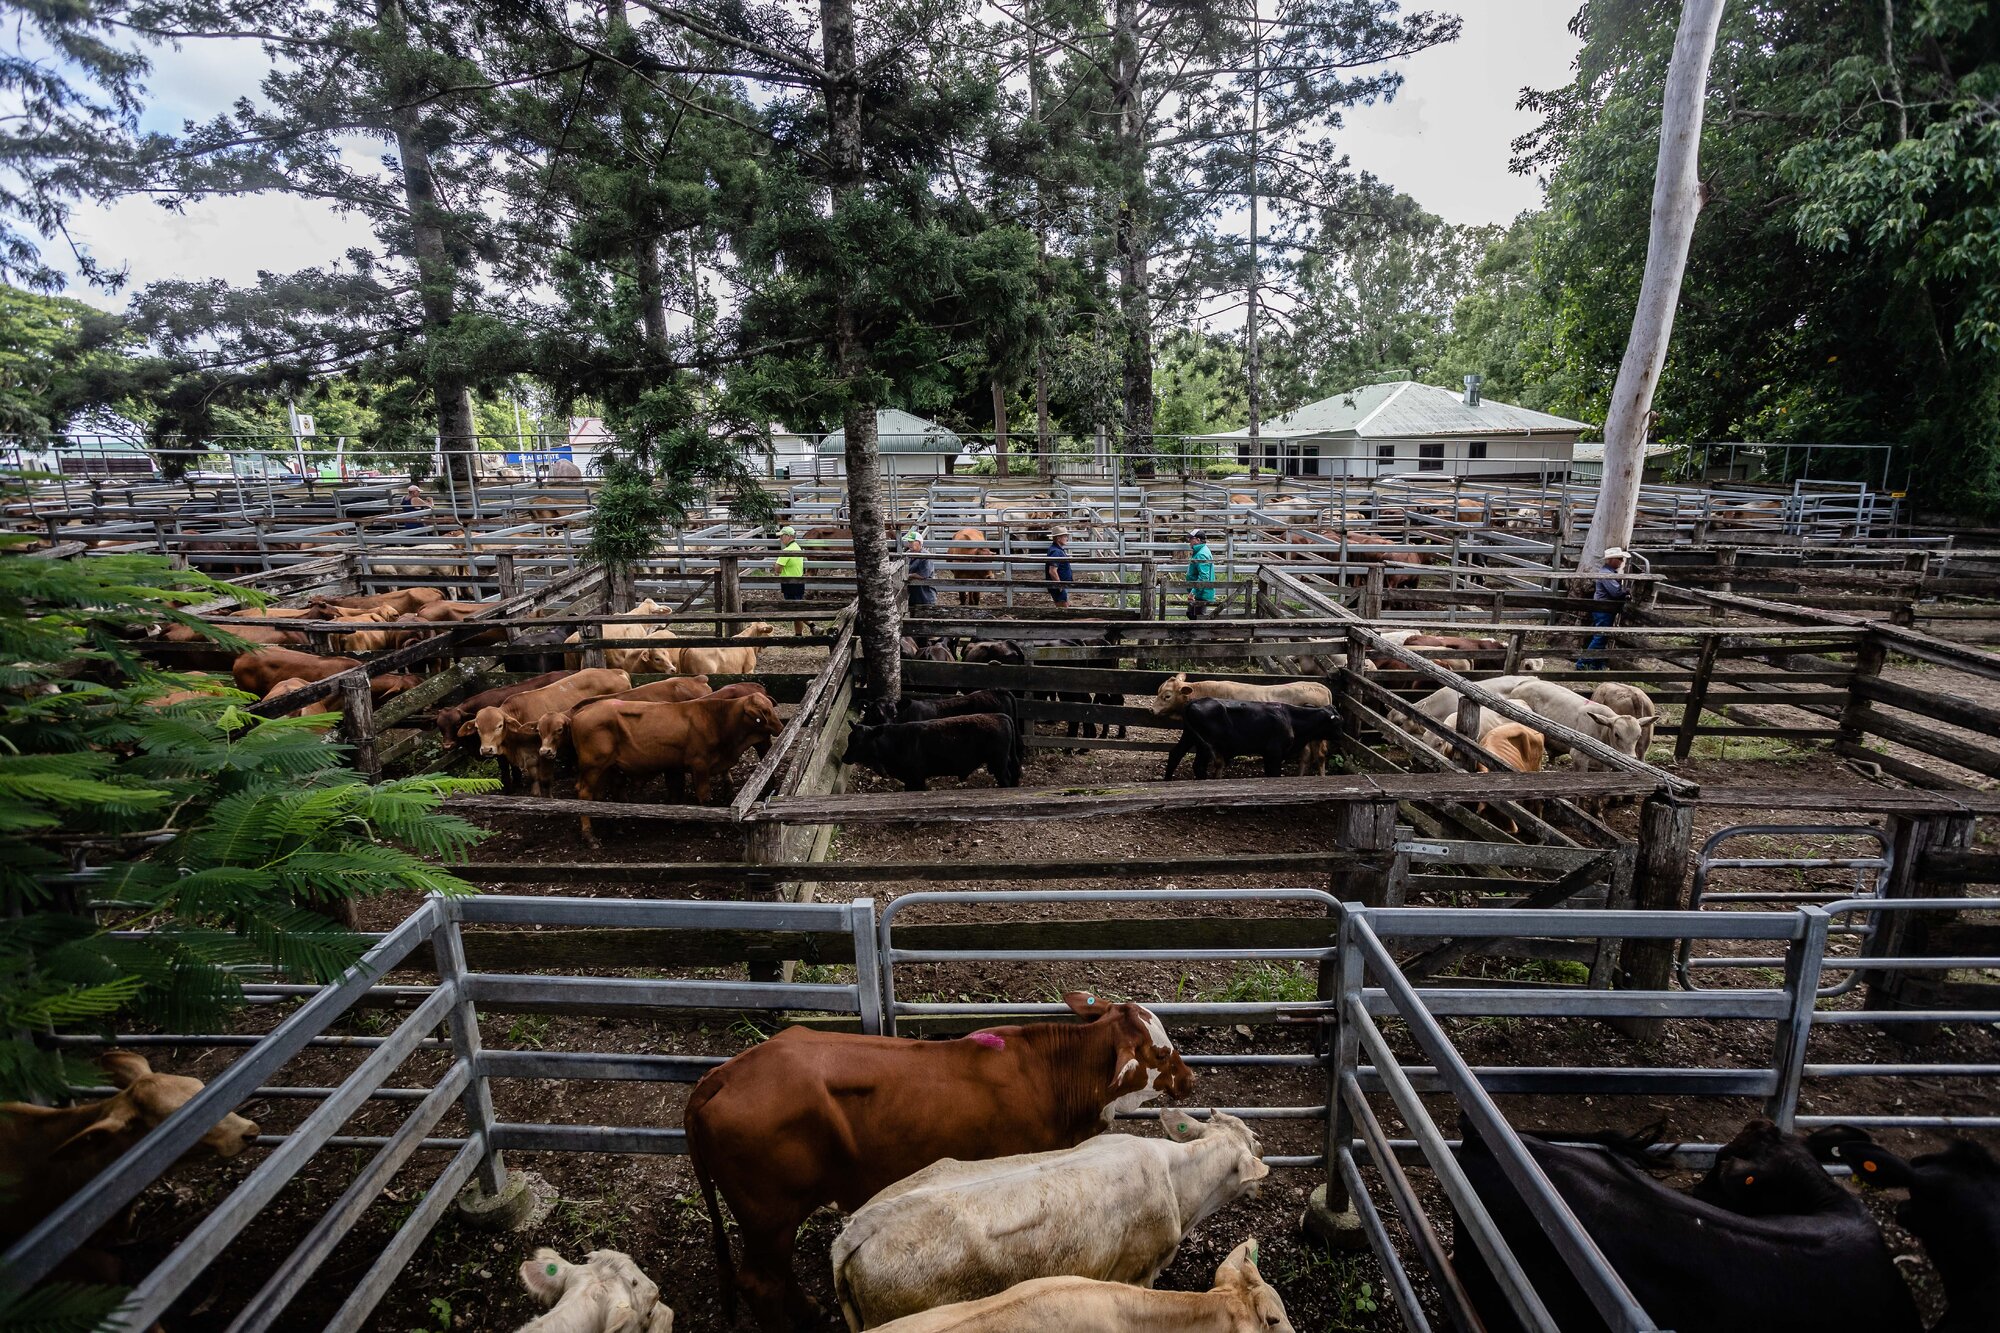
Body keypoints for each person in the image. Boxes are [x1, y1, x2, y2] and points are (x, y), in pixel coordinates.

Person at [1576, 546, 1631, 670]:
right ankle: (1583, 663)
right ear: (1611, 560)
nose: (1621, 561)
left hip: (1604, 608)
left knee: (1602, 636)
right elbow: (1615, 593)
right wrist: (1626, 591)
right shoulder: (1607, 574)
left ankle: (1596, 664)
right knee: (1600, 637)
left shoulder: (1609, 573)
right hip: (1603, 609)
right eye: (1619, 558)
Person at [775, 525, 808, 636]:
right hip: (799, 581)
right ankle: (802, 632)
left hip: (789, 583)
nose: (780, 539)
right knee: (797, 609)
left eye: (781, 536)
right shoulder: (797, 547)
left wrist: (774, 565)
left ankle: (811, 626)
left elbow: (778, 568)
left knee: (794, 611)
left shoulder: (787, 551)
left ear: (788, 536)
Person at [1186, 530, 1216, 620]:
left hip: (1200, 593)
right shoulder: (1201, 551)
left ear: (1198, 540)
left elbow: (1204, 577)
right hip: (1200, 591)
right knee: (1192, 614)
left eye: (1191, 538)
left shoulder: (1201, 554)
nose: (1189, 541)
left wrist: (1193, 593)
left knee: (1198, 617)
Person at [904, 531, 937, 612]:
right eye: (909, 542)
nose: (910, 544)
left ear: (919, 542)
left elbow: (923, 575)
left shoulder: (925, 556)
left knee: (925, 614)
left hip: (925, 595)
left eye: (912, 542)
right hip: (913, 594)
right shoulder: (908, 554)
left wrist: (908, 575)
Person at [1044, 528, 1073, 606]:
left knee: (1064, 607)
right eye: (1065, 536)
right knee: (1063, 609)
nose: (1067, 538)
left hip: (1060, 585)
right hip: (1059, 586)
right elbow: (1052, 571)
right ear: (1058, 538)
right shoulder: (1056, 552)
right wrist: (1060, 585)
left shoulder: (1057, 550)